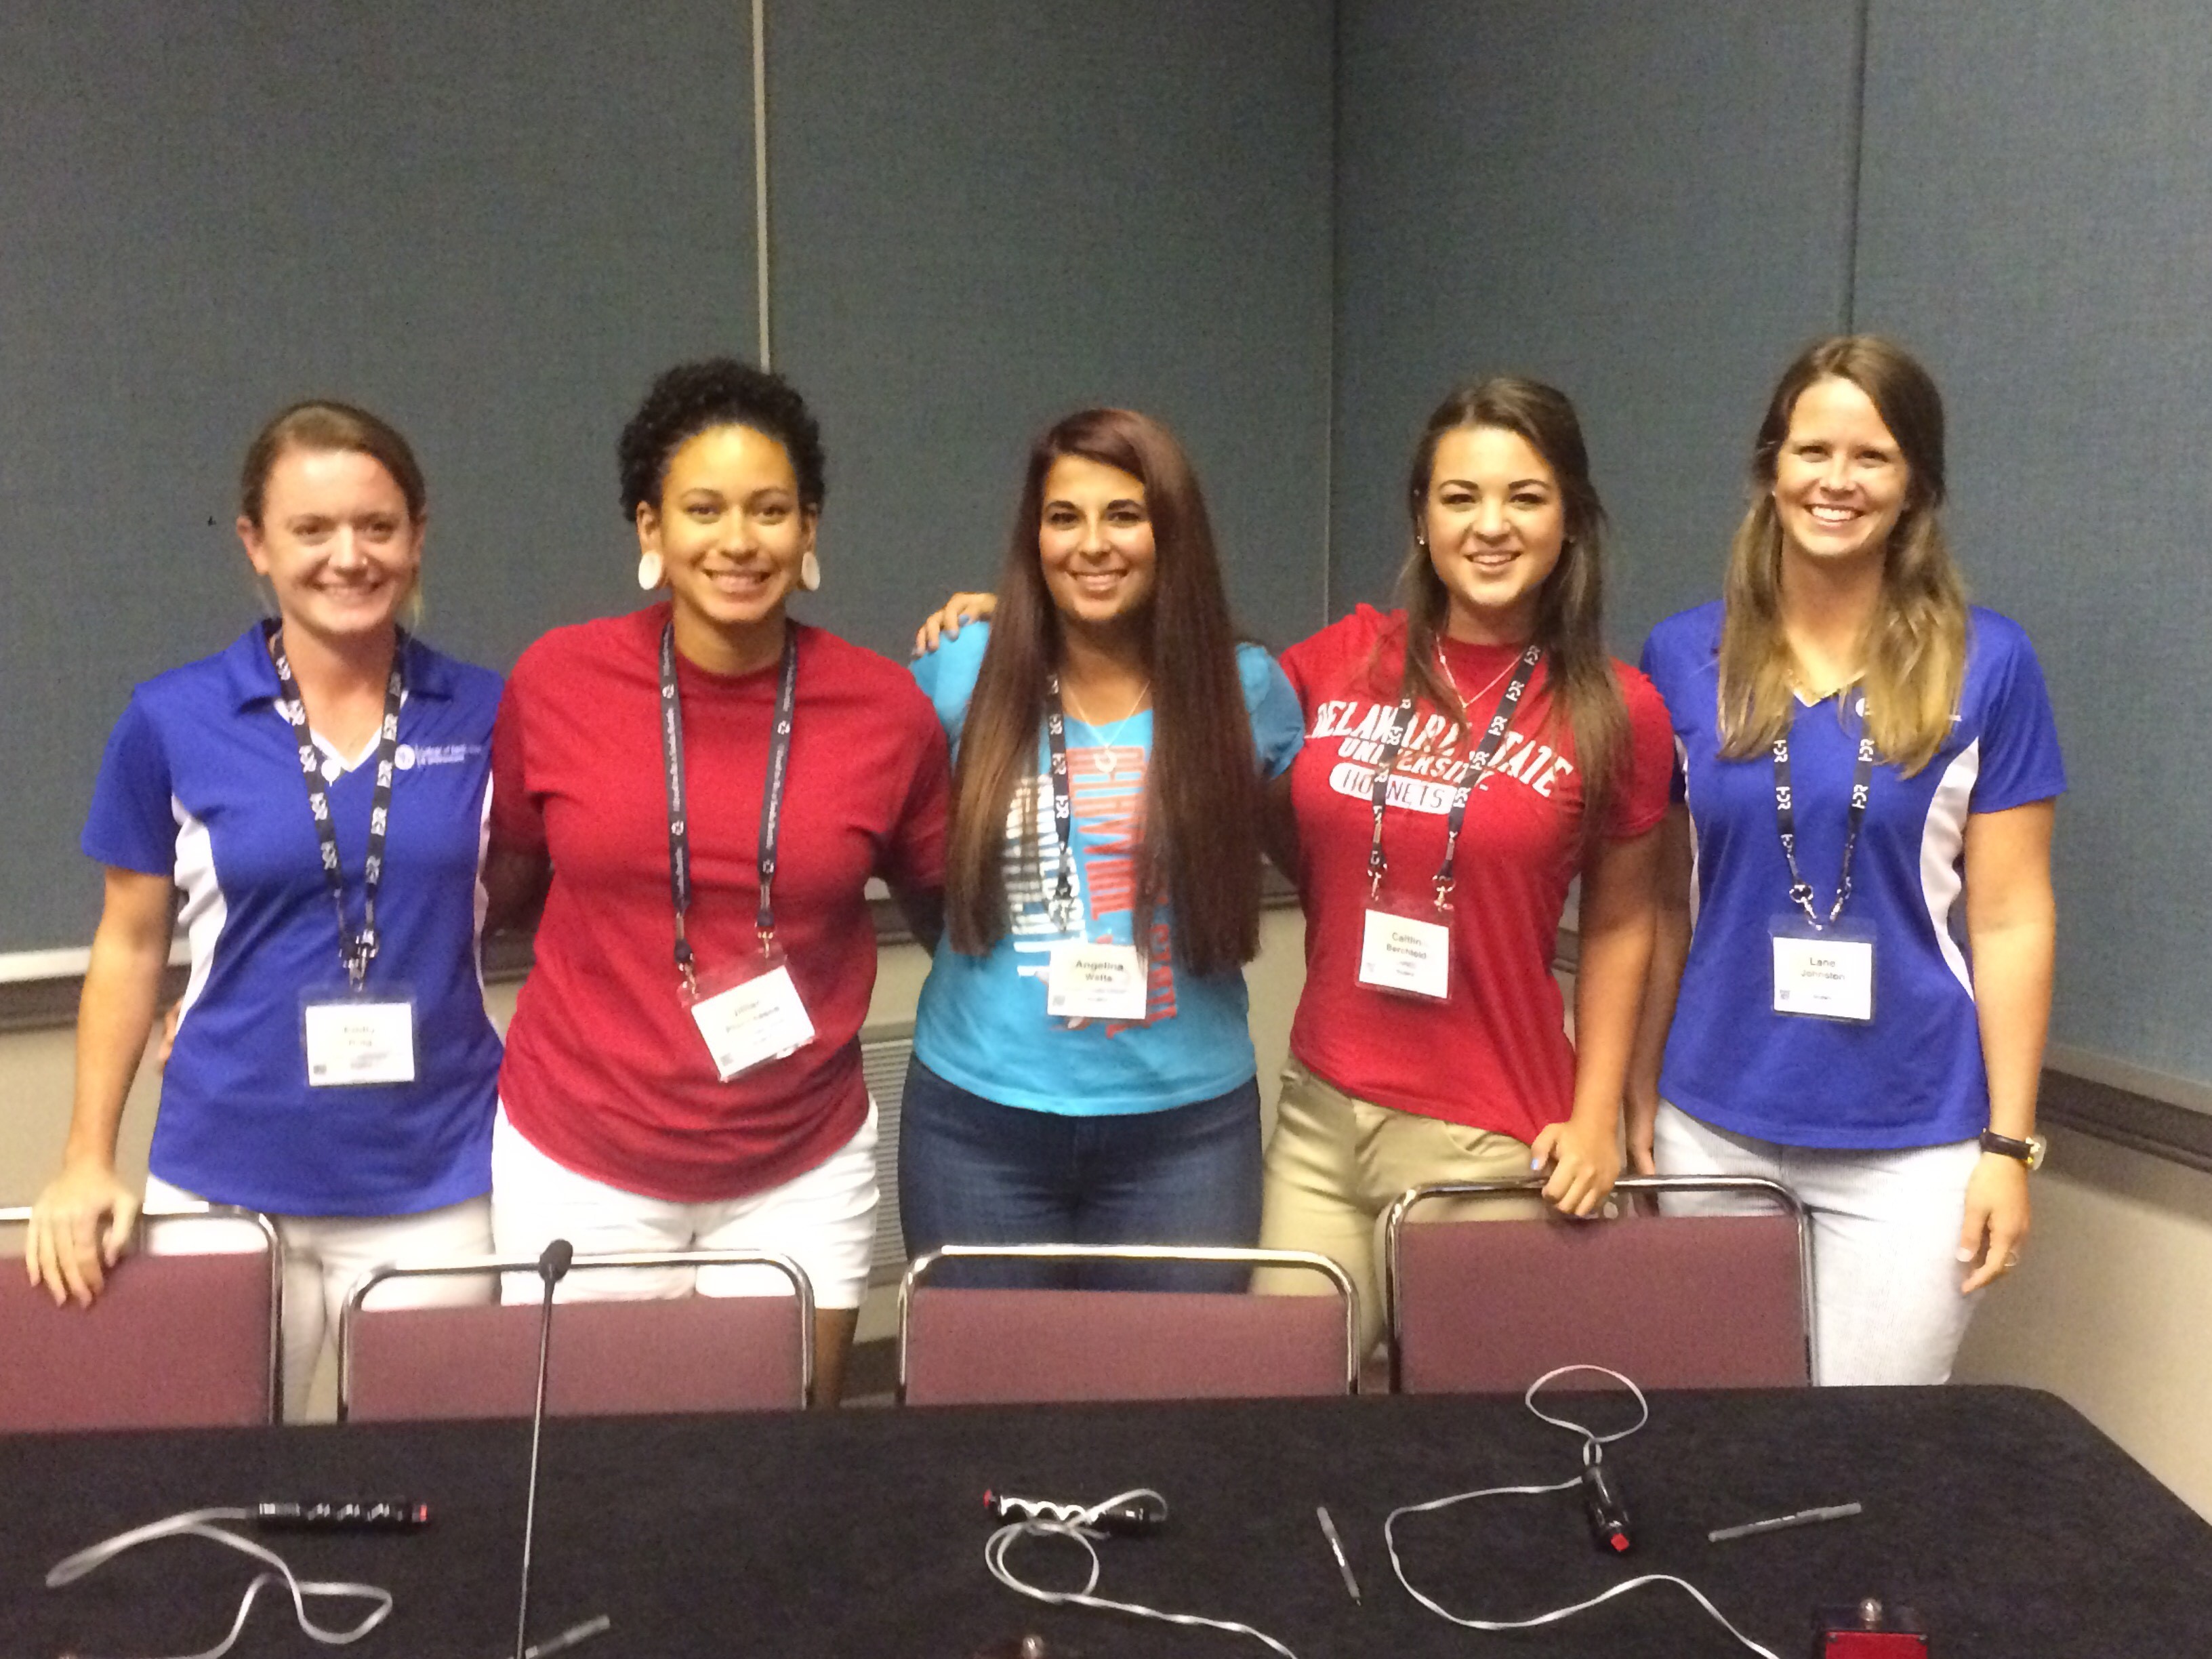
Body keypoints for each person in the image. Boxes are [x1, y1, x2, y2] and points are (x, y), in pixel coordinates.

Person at [24, 401, 504, 1418]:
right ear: (256, 544)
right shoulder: (172, 718)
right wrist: (84, 1158)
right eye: (311, 530)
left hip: (439, 1177)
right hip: (228, 1174)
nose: (349, 557)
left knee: (443, 1489)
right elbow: (130, 945)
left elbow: (550, 888)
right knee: (214, 1476)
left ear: (419, 537)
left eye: (378, 527)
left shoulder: (491, 714)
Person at [484, 359, 949, 1404]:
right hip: (581, 1157)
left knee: (786, 1471)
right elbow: (498, 884)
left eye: (770, 510)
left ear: (810, 529)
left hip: (800, 1163)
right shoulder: (559, 681)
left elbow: (947, 908)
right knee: (593, 1476)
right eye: (703, 509)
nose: (738, 541)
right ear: (650, 531)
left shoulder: (886, 711)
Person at [1629, 335, 2063, 1387]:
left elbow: (2010, 920)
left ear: (1916, 483)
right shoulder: (1683, 655)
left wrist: (2009, 1148)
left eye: (1872, 456)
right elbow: (1659, 904)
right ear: (1770, 466)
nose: (1837, 480)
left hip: (1910, 1141)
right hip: (1712, 1124)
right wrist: (1633, 1090)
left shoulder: (1989, 663)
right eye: (1811, 449)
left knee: (1871, 1462)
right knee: (1722, 1443)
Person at [1246, 377, 1672, 1355]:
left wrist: (1598, 1113)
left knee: (1470, 1444)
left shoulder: (1619, 710)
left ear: (1570, 520)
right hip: (1319, 1115)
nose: (1491, 526)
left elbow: (1620, 924)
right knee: (1277, 1410)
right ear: (1422, 516)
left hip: (1488, 1139)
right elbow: (1185, 684)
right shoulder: (1341, 659)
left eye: (1526, 497)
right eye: (1460, 497)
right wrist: (1013, 617)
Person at [899, 409, 1303, 1291]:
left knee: (1170, 1415)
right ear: (1032, 535)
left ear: (1171, 531)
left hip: (1184, 1132)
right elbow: (910, 858)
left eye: (1124, 514)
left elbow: (1319, 862)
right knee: (980, 1413)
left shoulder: (1247, 692)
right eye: (1063, 517)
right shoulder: (962, 668)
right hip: (978, 1124)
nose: (1092, 544)